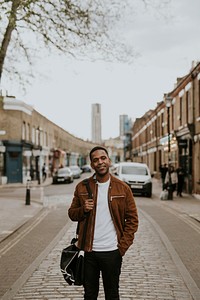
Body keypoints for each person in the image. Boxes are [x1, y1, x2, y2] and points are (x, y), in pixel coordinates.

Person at [68, 146, 139, 300]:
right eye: (96, 160)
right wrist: (83, 209)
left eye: (103, 158)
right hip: (88, 252)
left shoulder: (123, 188)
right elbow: (72, 214)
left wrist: (122, 247)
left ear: (109, 160)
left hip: (112, 252)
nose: (100, 162)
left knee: (112, 295)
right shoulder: (82, 187)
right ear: (92, 164)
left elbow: (133, 220)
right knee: (90, 295)